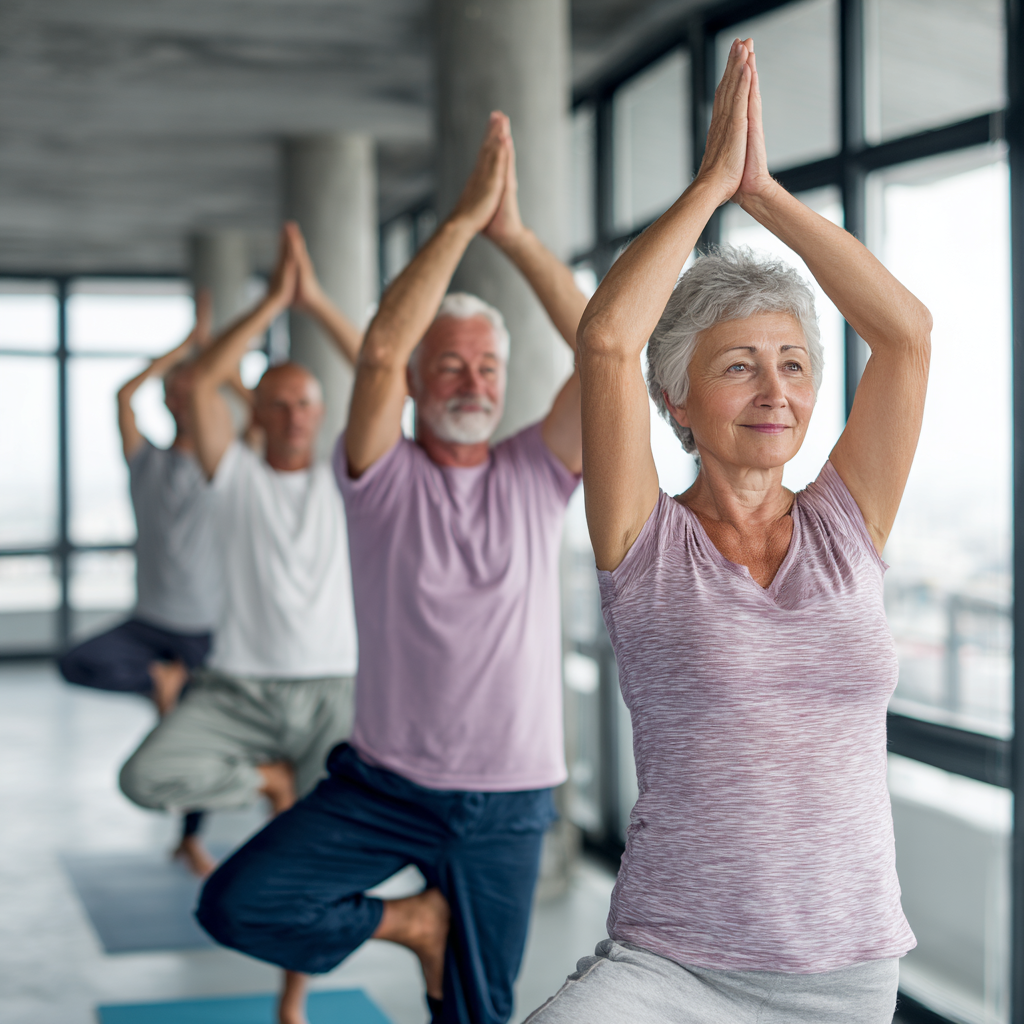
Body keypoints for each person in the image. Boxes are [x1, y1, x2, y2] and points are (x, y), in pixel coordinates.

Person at [522, 38, 931, 1024]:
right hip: (672, 966)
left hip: (844, 971)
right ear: (677, 403)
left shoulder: (846, 521)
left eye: (792, 364)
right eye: (738, 365)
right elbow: (607, 339)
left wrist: (768, 195)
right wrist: (709, 190)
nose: (775, 389)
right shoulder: (643, 542)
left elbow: (907, 335)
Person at [196, 113, 587, 1024]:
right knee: (237, 902)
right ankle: (413, 920)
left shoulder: (539, 471)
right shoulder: (380, 477)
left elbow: (612, 356)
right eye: (448, 365)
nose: (472, 382)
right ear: (416, 384)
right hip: (383, 787)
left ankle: (435, 940)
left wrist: (517, 238)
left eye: (488, 367)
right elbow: (376, 352)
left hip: (511, 801)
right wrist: (459, 226)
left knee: (477, 1018)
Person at [118, 223, 362, 950]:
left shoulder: (351, 479)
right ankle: (266, 782)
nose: (292, 418)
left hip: (333, 691)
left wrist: (312, 301)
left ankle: (295, 994)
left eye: (305, 405)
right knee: (146, 776)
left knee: (320, 860)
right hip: (239, 688)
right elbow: (194, 385)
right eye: (278, 405)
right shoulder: (236, 480)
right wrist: (267, 307)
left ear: (321, 414)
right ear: (255, 413)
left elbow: (387, 374)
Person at [59, 291, 225, 874]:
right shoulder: (145, 461)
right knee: (75, 661)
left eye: (191, 389)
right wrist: (185, 347)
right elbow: (123, 395)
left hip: (203, 628)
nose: (180, 395)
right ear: (166, 399)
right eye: (173, 390)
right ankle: (159, 682)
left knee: (199, 735)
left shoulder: (221, 467)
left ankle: (190, 837)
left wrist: (209, 362)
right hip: (148, 622)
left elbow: (260, 413)